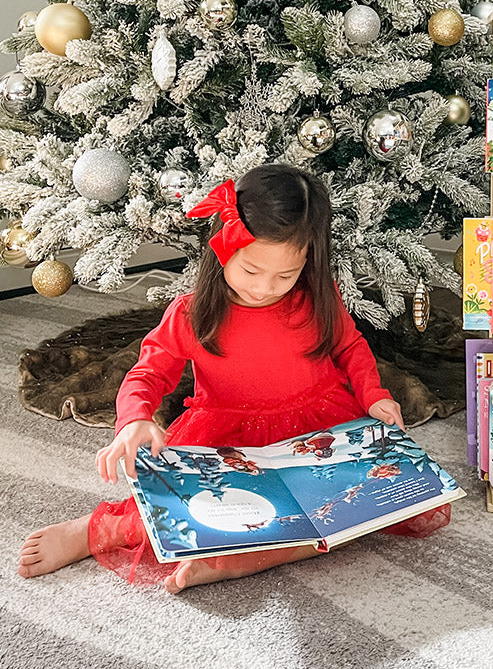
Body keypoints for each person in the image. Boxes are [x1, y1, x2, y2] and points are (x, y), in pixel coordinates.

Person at [18, 164, 447, 592]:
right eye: (251, 271)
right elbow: (146, 372)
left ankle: (241, 561)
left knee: (353, 506)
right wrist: (135, 419)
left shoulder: (318, 298)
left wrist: (373, 396)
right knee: (181, 511)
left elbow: (350, 347)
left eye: (285, 275)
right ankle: (94, 532)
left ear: (307, 261)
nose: (264, 288)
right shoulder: (191, 313)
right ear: (223, 251)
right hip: (227, 439)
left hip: (316, 431)